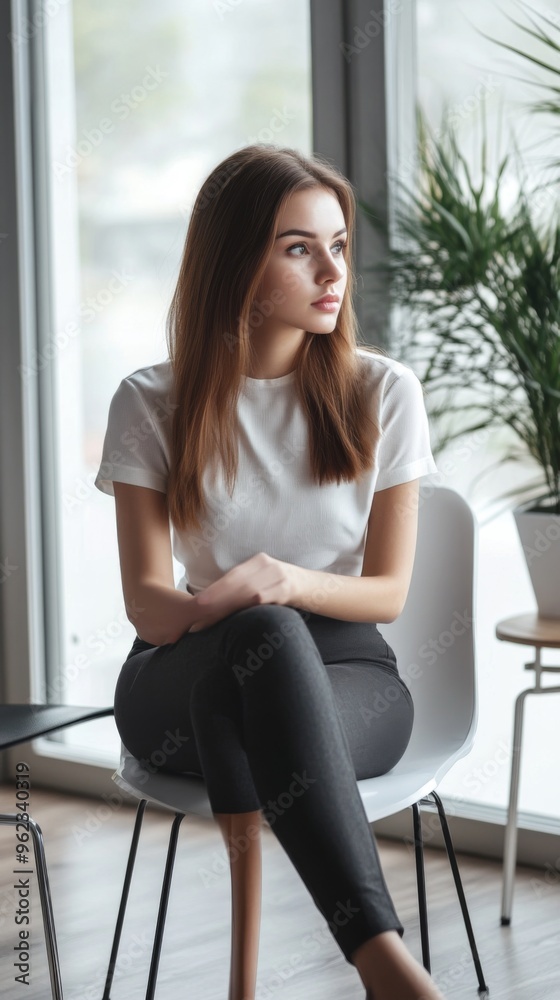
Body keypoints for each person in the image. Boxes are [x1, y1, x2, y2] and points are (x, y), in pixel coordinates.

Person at [94, 143, 444, 1000]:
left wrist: (281, 581)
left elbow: (388, 593)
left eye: (338, 245)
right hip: (179, 670)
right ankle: (386, 966)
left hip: (351, 676)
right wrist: (241, 603)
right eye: (298, 248)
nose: (332, 271)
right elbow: (149, 606)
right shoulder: (149, 401)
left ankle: (301, 975)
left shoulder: (384, 392)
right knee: (256, 643)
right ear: (235, 260)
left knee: (265, 652)